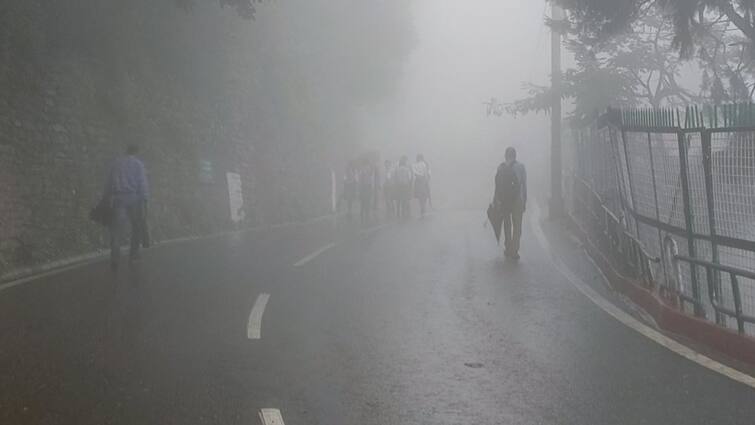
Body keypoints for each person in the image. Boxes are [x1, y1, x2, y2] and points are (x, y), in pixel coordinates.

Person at [103, 144, 149, 271]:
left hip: (118, 199)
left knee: (116, 230)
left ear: (126, 150)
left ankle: (115, 258)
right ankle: (133, 256)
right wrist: (145, 200)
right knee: (136, 228)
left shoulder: (116, 164)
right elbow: (142, 183)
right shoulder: (138, 164)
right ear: (136, 151)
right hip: (134, 199)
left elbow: (109, 182)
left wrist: (107, 197)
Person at [494, 147, 527, 260]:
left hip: (505, 200)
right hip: (518, 200)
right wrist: (525, 201)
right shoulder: (521, 167)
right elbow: (524, 185)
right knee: (517, 226)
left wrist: (497, 200)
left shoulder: (501, 167)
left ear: (505, 156)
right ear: (515, 156)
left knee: (507, 224)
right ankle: (514, 250)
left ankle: (508, 247)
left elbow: (497, 186)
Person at [358, 160, 375, 224]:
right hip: (365, 187)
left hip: (366, 187)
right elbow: (360, 181)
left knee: (366, 201)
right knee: (365, 201)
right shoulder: (363, 171)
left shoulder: (367, 171)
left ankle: (365, 214)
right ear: (365, 165)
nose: (368, 167)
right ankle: (364, 214)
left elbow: (371, 178)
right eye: (368, 165)